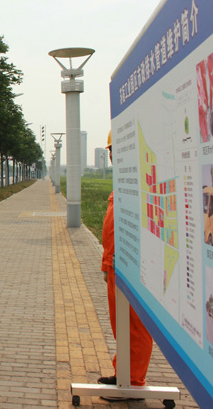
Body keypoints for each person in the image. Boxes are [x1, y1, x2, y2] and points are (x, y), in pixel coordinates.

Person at [98, 131, 153, 400]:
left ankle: (132, 382)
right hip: (115, 264)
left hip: (132, 266)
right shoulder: (124, 180)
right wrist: (106, 264)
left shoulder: (142, 181)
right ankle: (123, 373)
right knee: (121, 324)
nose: (112, 156)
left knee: (134, 326)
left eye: (116, 150)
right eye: (111, 151)